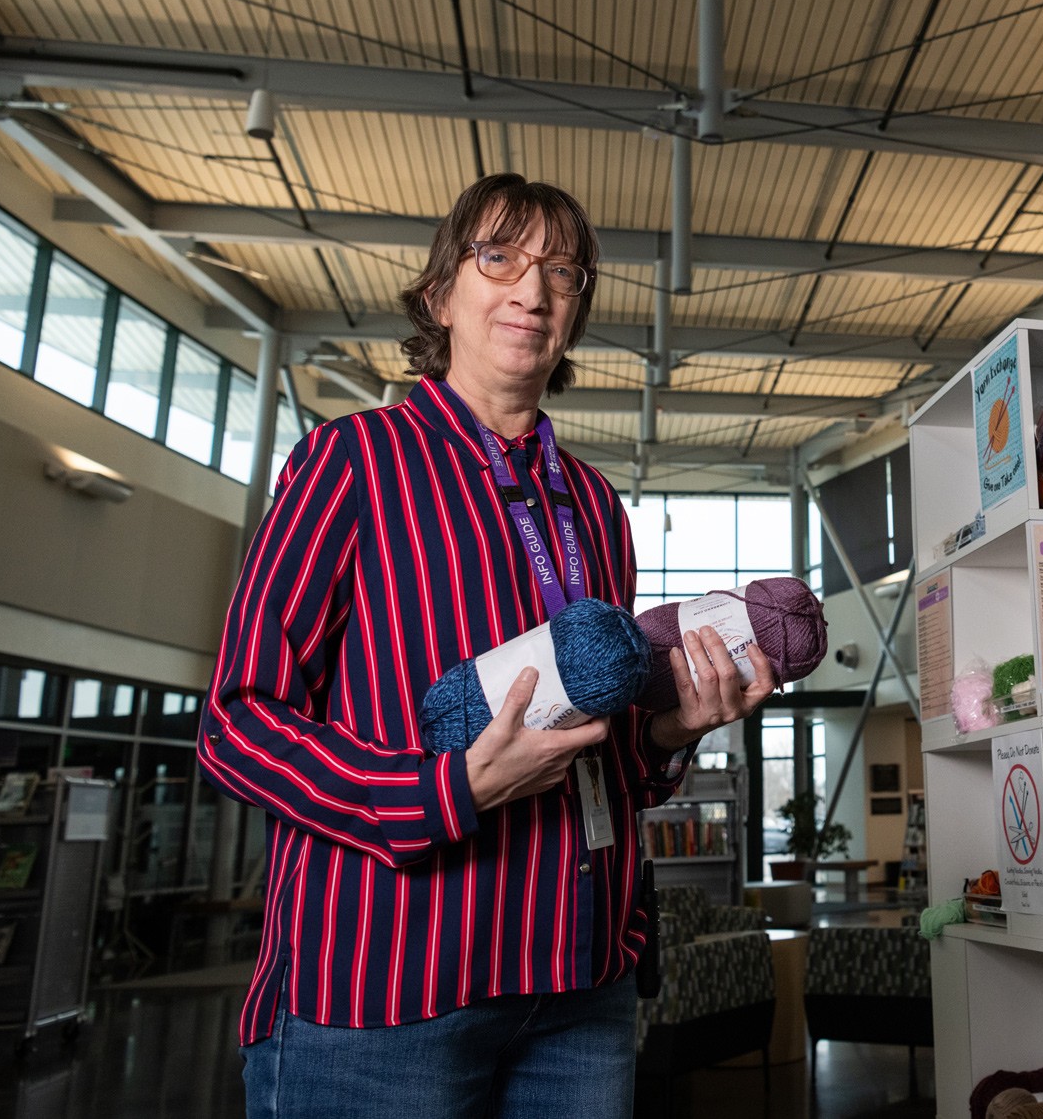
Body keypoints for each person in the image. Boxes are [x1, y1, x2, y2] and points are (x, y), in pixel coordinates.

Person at [198, 173, 775, 1118]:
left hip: (579, 989)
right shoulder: (350, 461)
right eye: (499, 256)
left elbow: (601, 755)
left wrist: (670, 732)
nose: (533, 289)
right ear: (440, 294)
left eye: (563, 272)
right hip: (388, 991)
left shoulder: (593, 507)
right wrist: (446, 790)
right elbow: (236, 724)